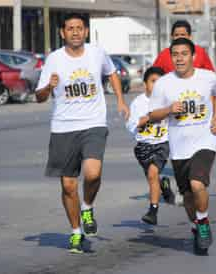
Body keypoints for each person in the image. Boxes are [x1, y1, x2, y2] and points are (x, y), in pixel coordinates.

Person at [35, 13, 130, 254]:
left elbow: (112, 73)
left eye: (79, 28)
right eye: (70, 28)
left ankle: (87, 207)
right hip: (63, 127)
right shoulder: (54, 60)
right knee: (68, 186)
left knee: (92, 173)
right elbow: (39, 97)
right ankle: (76, 232)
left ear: (85, 31)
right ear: (62, 33)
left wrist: (120, 100)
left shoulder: (97, 53)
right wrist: (49, 86)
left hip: (93, 122)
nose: (75, 32)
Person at [149, 38, 216, 255]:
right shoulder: (163, 83)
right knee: (188, 197)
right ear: (171, 57)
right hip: (179, 147)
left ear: (193, 56)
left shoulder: (207, 77)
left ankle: (203, 223)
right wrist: (169, 109)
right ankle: (196, 225)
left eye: (184, 53)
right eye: (175, 54)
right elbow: (153, 115)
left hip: (205, 141)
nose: (180, 58)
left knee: (197, 184)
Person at [126, 66, 174, 225]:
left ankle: (153, 211)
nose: (157, 85)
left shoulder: (168, 101)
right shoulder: (138, 103)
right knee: (152, 176)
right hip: (143, 146)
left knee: (152, 174)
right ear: (145, 84)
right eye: (153, 81)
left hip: (162, 144)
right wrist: (149, 117)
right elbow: (131, 125)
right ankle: (164, 185)